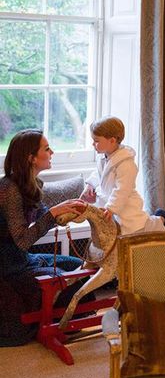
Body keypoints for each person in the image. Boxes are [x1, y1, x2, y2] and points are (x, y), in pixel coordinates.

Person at [0, 129, 89, 347]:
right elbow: (23, 240)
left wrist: (73, 208)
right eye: (47, 148)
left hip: (22, 258)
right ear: (31, 157)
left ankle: (62, 322)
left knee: (81, 268)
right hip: (7, 265)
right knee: (62, 276)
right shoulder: (9, 189)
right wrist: (53, 214)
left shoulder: (33, 184)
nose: (52, 152)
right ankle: (52, 326)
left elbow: (47, 216)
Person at [81, 116, 165, 234]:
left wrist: (111, 208)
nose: (93, 144)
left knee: (139, 227)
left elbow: (123, 189)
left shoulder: (126, 163)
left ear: (112, 140)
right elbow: (99, 175)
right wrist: (90, 185)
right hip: (109, 203)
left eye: (96, 141)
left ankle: (161, 218)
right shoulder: (103, 158)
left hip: (125, 204)